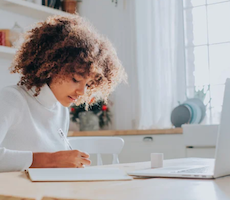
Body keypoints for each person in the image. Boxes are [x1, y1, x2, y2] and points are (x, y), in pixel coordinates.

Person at [0, 14, 127, 172]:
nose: (82, 92)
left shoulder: (60, 109)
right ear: (50, 68)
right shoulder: (12, 99)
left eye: (88, 84)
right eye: (75, 79)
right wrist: (51, 160)